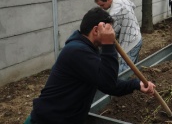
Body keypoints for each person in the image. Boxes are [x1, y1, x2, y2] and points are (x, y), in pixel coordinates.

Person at [25, 7, 155, 124]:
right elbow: (108, 82)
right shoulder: (76, 51)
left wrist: (136, 85)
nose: (112, 34)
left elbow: (108, 84)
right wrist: (108, 45)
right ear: (96, 30)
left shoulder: (88, 50)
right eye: (108, 30)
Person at [94, 0, 142, 73]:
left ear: (109, 0)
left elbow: (111, 35)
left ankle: (119, 85)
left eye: (102, 5)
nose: (102, 8)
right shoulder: (122, 0)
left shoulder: (114, 13)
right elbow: (133, 5)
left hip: (130, 43)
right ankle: (136, 84)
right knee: (133, 68)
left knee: (124, 70)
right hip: (138, 36)